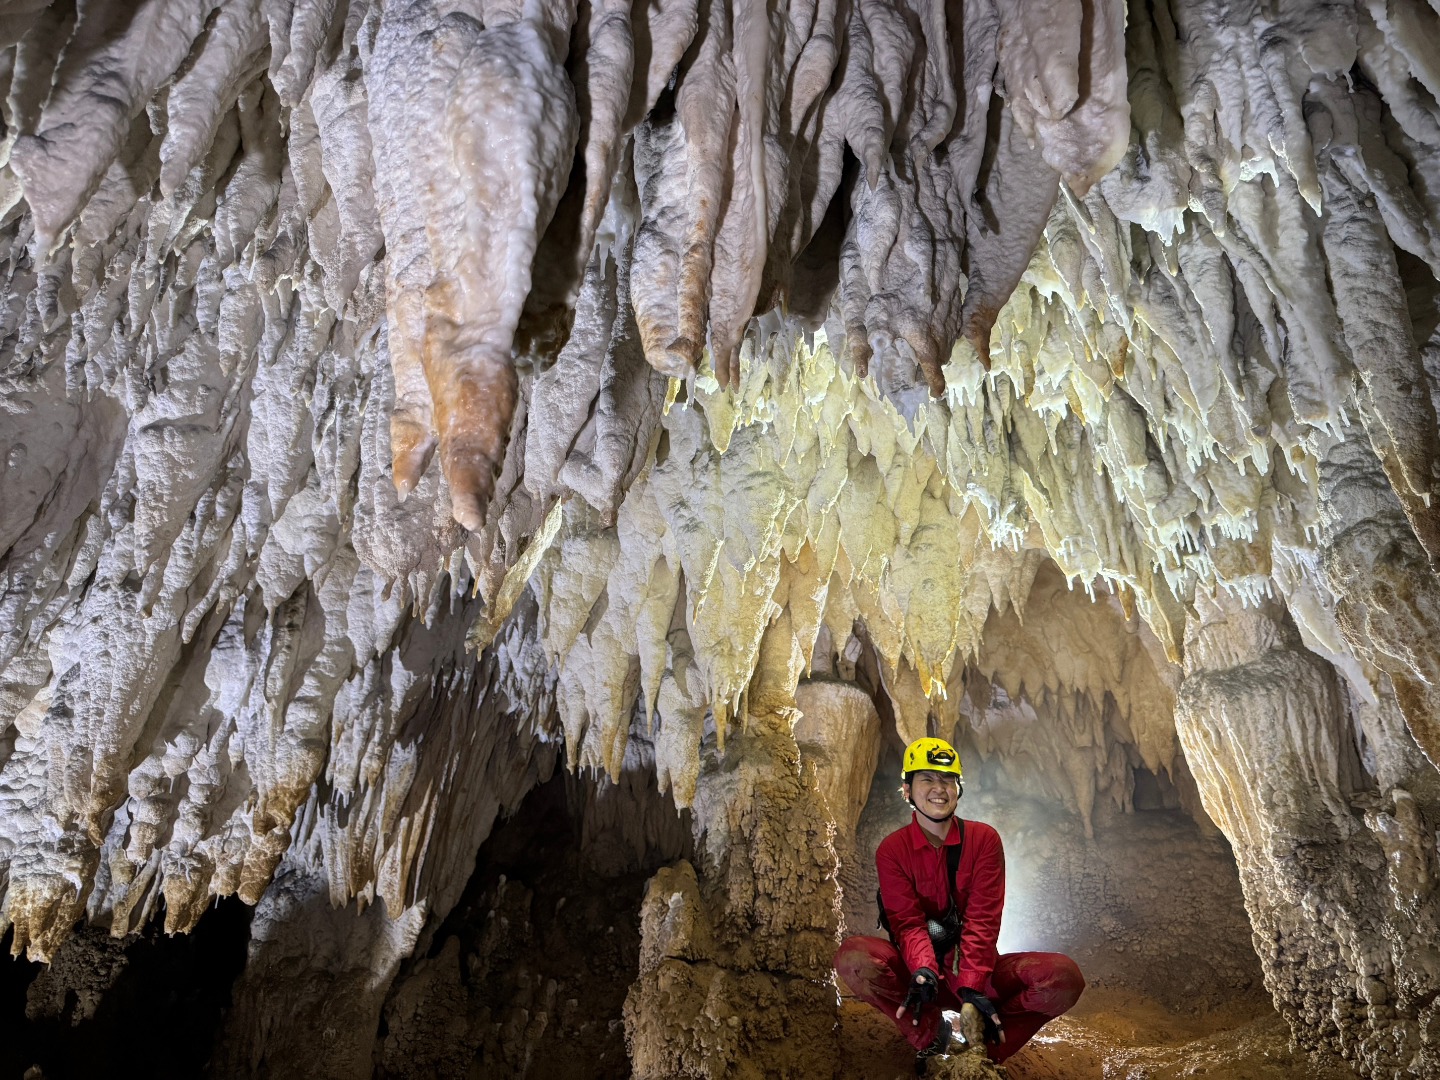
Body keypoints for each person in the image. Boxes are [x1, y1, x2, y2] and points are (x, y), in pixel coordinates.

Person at [834, 737, 1084, 1070]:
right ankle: (930, 1037)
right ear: (907, 790)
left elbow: (983, 919)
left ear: (958, 788)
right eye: (927, 778)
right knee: (854, 957)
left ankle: (982, 1052)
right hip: (921, 979)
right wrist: (923, 971)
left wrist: (971, 989)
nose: (939, 787)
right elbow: (907, 922)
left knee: (1062, 977)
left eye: (947, 779)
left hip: (978, 974)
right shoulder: (893, 851)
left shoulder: (983, 840)